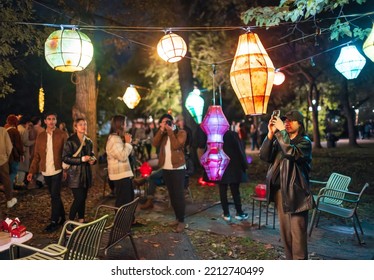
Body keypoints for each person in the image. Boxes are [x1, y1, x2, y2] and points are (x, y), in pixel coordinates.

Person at [259, 110, 313, 260]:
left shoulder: (305, 142)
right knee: (286, 235)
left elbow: (291, 152)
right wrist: (270, 134)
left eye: (291, 120)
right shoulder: (281, 140)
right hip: (280, 193)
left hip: (297, 194)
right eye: (285, 121)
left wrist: (281, 131)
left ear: (300, 124)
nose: (287, 123)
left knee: (298, 236)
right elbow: (264, 156)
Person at [27, 112, 68, 232]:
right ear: (45, 121)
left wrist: (65, 169)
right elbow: (36, 156)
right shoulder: (40, 137)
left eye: (53, 119)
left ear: (56, 121)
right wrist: (31, 171)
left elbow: (66, 153)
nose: (51, 121)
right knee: (55, 195)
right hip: (46, 171)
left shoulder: (62, 135)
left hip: (57, 169)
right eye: (48, 119)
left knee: (54, 196)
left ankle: (54, 222)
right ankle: (63, 218)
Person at [152, 113, 187, 233]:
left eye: (168, 122)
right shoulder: (163, 135)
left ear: (173, 123)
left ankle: (182, 221)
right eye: (163, 122)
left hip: (178, 168)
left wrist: (170, 131)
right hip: (166, 168)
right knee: (172, 195)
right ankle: (177, 218)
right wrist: (161, 130)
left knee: (179, 195)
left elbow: (177, 145)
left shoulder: (181, 133)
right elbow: (155, 143)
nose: (166, 124)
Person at [62, 118, 96, 224]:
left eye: (85, 124)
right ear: (75, 127)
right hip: (75, 175)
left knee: (83, 198)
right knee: (79, 198)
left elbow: (92, 154)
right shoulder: (70, 141)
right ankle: (70, 222)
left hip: (86, 174)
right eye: (80, 124)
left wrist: (93, 160)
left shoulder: (89, 141)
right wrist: (81, 159)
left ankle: (81, 220)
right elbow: (65, 158)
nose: (83, 126)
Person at [105, 115, 134, 208]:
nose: (126, 125)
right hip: (120, 175)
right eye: (125, 123)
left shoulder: (117, 138)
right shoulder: (114, 139)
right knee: (123, 201)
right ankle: (120, 222)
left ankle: (130, 221)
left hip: (123, 174)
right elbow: (122, 156)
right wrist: (128, 143)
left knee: (129, 199)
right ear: (120, 125)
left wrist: (127, 143)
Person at [4, 114, 24, 189]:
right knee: (13, 172)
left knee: (8, 172)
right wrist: (21, 154)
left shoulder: (4, 130)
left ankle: (8, 188)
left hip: (5, 154)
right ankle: (8, 188)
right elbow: (18, 144)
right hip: (13, 154)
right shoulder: (14, 131)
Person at [0, 126, 17, 208]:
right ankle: (9, 200)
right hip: (2, 159)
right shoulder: (2, 131)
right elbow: (9, 146)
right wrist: (6, 156)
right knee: (6, 179)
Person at [15, 116, 35, 188]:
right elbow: (26, 142)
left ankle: (15, 182)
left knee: (17, 169)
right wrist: (34, 141)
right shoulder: (24, 130)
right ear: (26, 123)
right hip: (23, 152)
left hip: (16, 151)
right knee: (22, 168)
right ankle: (19, 183)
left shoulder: (16, 128)